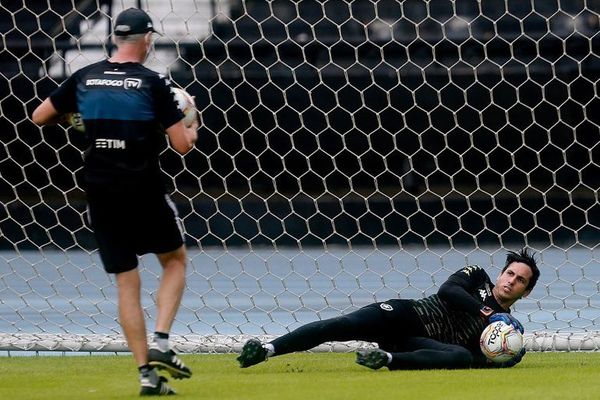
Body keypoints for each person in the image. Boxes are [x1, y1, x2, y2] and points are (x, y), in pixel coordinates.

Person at [32, 8, 198, 396]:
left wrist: (78, 118)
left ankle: (146, 374)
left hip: (100, 192)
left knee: (127, 283)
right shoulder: (153, 83)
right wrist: (192, 126)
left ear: (115, 40)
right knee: (174, 261)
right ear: (146, 40)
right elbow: (181, 146)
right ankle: (161, 340)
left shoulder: (85, 77)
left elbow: (40, 116)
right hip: (143, 190)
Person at [237, 249, 540, 370]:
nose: (511, 281)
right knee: (342, 325)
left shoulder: (504, 332)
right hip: (406, 314)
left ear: (525, 292)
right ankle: (266, 349)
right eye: (510, 274)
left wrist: (500, 360)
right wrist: (486, 312)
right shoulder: (477, 277)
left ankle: (385, 359)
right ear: (501, 274)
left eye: (520, 281)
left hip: (418, 343)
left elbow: (471, 357)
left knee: (458, 357)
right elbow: (447, 291)